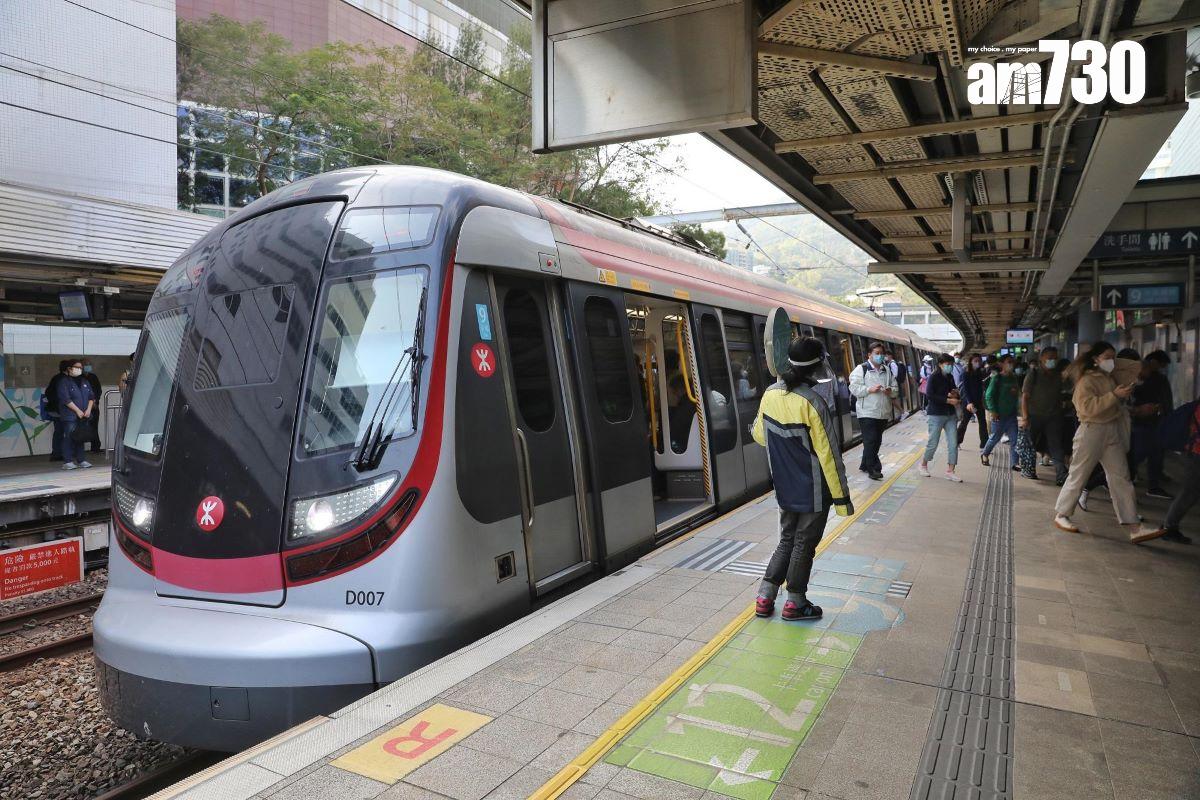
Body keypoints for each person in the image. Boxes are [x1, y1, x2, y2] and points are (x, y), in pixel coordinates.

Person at [753, 337, 853, 621]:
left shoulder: (770, 394)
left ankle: (764, 597)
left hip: (784, 485)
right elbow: (829, 455)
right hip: (813, 489)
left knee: (786, 539)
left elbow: (760, 435)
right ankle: (795, 603)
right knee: (803, 544)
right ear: (817, 366)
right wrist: (842, 500)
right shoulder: (813, 402)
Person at [1052, 343, 1164, 543]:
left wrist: (1111, 361)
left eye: (1114, 357)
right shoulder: (1086, 381)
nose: (1112, 361)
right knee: (1079, 474)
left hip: (1112, 431)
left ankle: (1133, 526)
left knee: (1121, 478)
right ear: (1095, 359)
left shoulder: (1110, 377)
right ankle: (1062, 514)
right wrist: (1114, 396)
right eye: (1107, 357)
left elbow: (1136, 368)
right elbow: (1087, 408)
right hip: (1091, 431)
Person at [849, 341, 897, 480]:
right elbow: (854, 388)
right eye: (877, 353)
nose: (880, 356)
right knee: (871, 440)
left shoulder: (886, 370)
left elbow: (895, 389)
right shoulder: (861, 369)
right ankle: (874, 469)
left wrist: (890, 391)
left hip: (883, 412)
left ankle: (864, 464)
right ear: (869, 355)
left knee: (876, 440)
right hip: (866, 412)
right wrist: (869, 389)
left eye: (882, 353)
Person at [1128, 350, 1173, 499]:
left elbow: (1165, 401)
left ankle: (1153, 485)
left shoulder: (1157, 379)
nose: (1161, 369)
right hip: (1140, 423)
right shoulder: (1131, 381)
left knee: (1154, 453)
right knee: (1139, 453)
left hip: (1152, 422)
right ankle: (1123, 479)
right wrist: (1138, 410)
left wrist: (1160, 409)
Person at [1020, 347, 1068, 485]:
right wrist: (1025, 417)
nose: (1053, 360)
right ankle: (1028, 469)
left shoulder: (1058, 375)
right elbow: (1025, 397)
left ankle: (1061, 475)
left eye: (1055, 358)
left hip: (1054, 417)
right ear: (1041, 359)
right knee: (1029, 445)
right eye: (1050, 358)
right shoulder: (1033, 374)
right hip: (1034, 416)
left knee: (1056, 446)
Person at [1157, 400, 1200, 543]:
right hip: (1196, 456)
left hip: (1194, 454)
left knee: (1190, 493)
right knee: (1189, 493)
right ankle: (1169, 527)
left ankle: (1169, 526)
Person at [919, 353, 963, 481]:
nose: (950, 367)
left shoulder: (949, 376)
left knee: (953, 443)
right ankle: (923, 465)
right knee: (933, 442)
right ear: (940, 364)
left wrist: (955, 393)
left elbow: (952, 390)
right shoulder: (933, 377)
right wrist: (948, 400)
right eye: (947, 364)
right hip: (936, 414)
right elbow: (930, 395)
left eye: (951, 364)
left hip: (950, 414)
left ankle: (950, 470)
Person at [980, 355, 1021, 467]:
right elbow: (989, 396)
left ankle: (1015, 463)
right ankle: (985, 453)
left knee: (1015, 439)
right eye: (1008, 362)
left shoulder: (1014, 377)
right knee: (995, 438)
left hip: (1011, 415)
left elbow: (1018, 394)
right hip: (998, 415)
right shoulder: (997, 378)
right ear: (1001, 364)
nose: (1011, 364)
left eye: (1012, 362)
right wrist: (993, 411)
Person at [57, 359, 94, 470]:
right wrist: (77, 411)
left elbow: (91, 397)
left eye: (80, 368)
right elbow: (66, 399)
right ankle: (67, 461)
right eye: (77, 367)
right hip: (70, 415)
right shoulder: (64, 382)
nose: (79, 369)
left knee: (80, 437)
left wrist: (88, 410)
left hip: (84, 415)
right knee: (69, 437)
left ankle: (81, 460)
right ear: (69, 368)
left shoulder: (84, 381)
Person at [957, 354, 989, 449]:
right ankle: (957, 441)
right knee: (964, 422)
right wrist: (969, 402)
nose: (977, 363)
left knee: (982, 422)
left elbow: (983, 384)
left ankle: (984, 445)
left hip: (978, 402)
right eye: (975, 361)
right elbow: (966, 389)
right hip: (968, 403)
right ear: (971, 362)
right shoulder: (966, 373)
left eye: (979, 361)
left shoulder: (980, 373)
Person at [44, 360, 70, 462]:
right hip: (61, 410)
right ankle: (61, 453)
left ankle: (57, 453)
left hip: (56, 410)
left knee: (58, 432)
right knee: (63, 432)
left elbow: (48, 392)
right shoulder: (64, 379)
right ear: (68, 369)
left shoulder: (56, 378)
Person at [80, 358, 103, 453]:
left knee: (94, 426)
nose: (88, 366)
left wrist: (95, 401)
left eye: (89, 364)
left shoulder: (93, 377)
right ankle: (79, 450)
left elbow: (98, 390)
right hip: (82, 407)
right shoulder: (78, 378)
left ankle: (95, 447)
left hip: (94, 406)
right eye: (86, 364)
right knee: (80, 428)